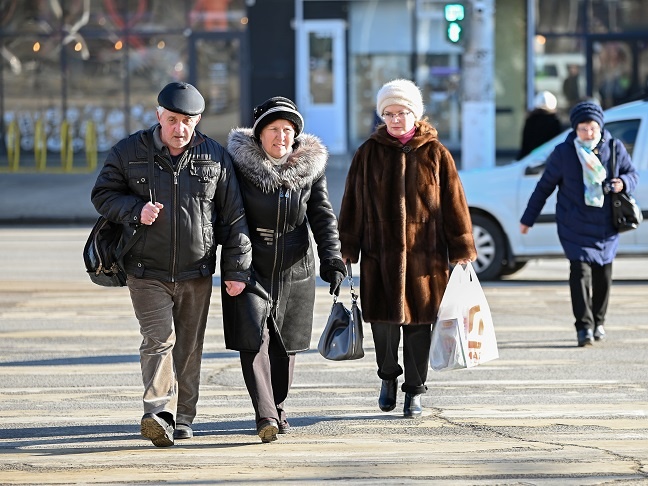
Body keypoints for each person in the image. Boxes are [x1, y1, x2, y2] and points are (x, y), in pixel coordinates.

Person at [91, 82, 252, 447]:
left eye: (188, 121)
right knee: (158, 340)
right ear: (158, 115)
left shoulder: (215, 157)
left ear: (198, 120)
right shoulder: (128, 151)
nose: (180, 129)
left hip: (196, 272)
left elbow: (234, 219)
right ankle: (157, 412)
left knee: (189, 347)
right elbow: (103, 195)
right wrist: (135, 210)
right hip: (145, 270)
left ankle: (184, 418)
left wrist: (236, 270)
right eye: (173, 120)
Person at [338, 79, 476, 418]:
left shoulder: (436, 154)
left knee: (419, 329)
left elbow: (455, 204)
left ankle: (415, 390)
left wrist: (461, 250)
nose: (395, 119)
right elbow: (352, 203)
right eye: (388, 113)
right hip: (379, 256)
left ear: (415, 113)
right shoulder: (368, 153)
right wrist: (347, 247)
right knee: (383, 330)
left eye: (401, 112)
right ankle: (387, 377)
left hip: (424, 260)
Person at [224, 96, 346, 443]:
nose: (281, 136)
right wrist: (234, 266)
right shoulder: (237, 166)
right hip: (248, 263)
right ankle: (264, 415)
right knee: (253, 339)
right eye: (274, 129)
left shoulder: (309, 169)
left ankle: (278, 404)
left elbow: (322, 216)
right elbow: (228, 216)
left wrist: (332, 258)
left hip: (296, 266)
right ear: (259, 135)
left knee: (286, 347)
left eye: (287, 130)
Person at [519, 100, 639, 347]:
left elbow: (632, 174)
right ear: (575, 129)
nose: (588, 133)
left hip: (606, 223)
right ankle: (583, 327)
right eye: (582, 128)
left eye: (592, 128)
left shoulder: (614, 148)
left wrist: (623, 183)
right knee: (580, 272)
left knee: (603, 273)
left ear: (600, 127)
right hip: (573, 222)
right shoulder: (563, 153)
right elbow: (544, 188)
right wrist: (527, 219)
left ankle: (599, 321)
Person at [518, 91, 563, 159]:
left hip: (530, 159)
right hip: (548, 159)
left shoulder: (530, 120)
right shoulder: (554, 121)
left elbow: (525, 144)